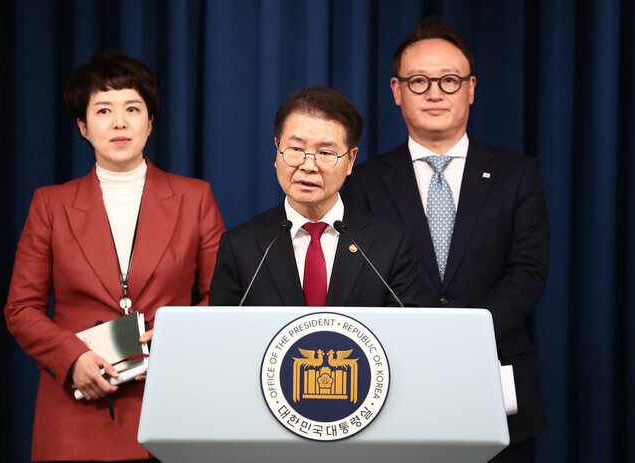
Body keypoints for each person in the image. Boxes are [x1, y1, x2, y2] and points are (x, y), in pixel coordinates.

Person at [342, 17, 549, 462]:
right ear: (397, 91)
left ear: (471, 88)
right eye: (419, 81)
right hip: (396, 380)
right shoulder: (363, 182)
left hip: (495, 375)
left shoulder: (517, 174)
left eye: (449, 81)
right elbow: (360, 280)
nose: (435, 93)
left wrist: (463, 333)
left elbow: (528, 274)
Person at [4, 51, 225, 462]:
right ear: (83, 127)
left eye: (132, 108)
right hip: (76, 407)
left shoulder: (195, 198)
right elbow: (21, 308)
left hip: (169, 401)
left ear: (151, 121)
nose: (120, 122)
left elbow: (226, 295)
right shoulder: (50, 205)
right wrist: (73, 359)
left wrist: (180, 336)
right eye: (103, 110)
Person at [209, 86, 421, 308]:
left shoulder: (390, 245)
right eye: (296, 149)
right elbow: (222, 336)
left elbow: (404, 336)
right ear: (277, 149)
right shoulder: (240, 246)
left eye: (325, 153)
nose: (308, 165)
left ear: (350, 160)